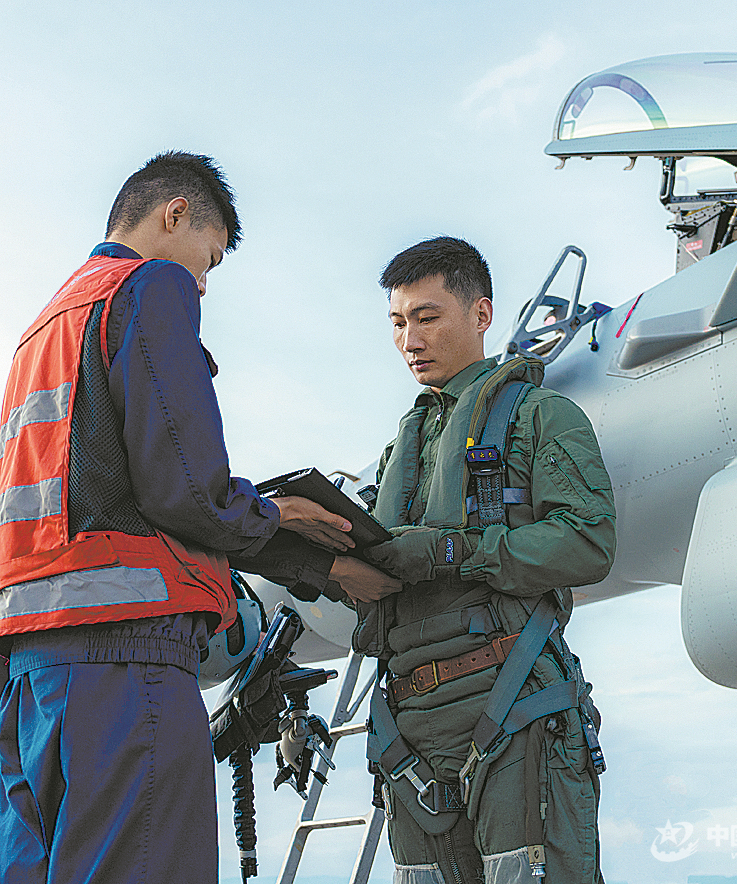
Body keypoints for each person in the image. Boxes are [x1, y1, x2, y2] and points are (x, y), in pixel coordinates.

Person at [0, 151, 399, 884]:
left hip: (27, 675)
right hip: (124, 655)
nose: (204, 284)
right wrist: (278, 514)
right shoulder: (147, 286)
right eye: (208, 261)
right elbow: (184, 484)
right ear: (173, 214)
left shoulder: (41, 328)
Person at [357, 236, 616, 884]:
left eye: (426, 317)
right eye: (397, 322)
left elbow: (588, 540)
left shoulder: (541, 416)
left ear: (480, 314)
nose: (409, 340)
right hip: (407, 729)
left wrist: (455, 551)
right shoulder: (400, 451)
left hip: (510, 708)